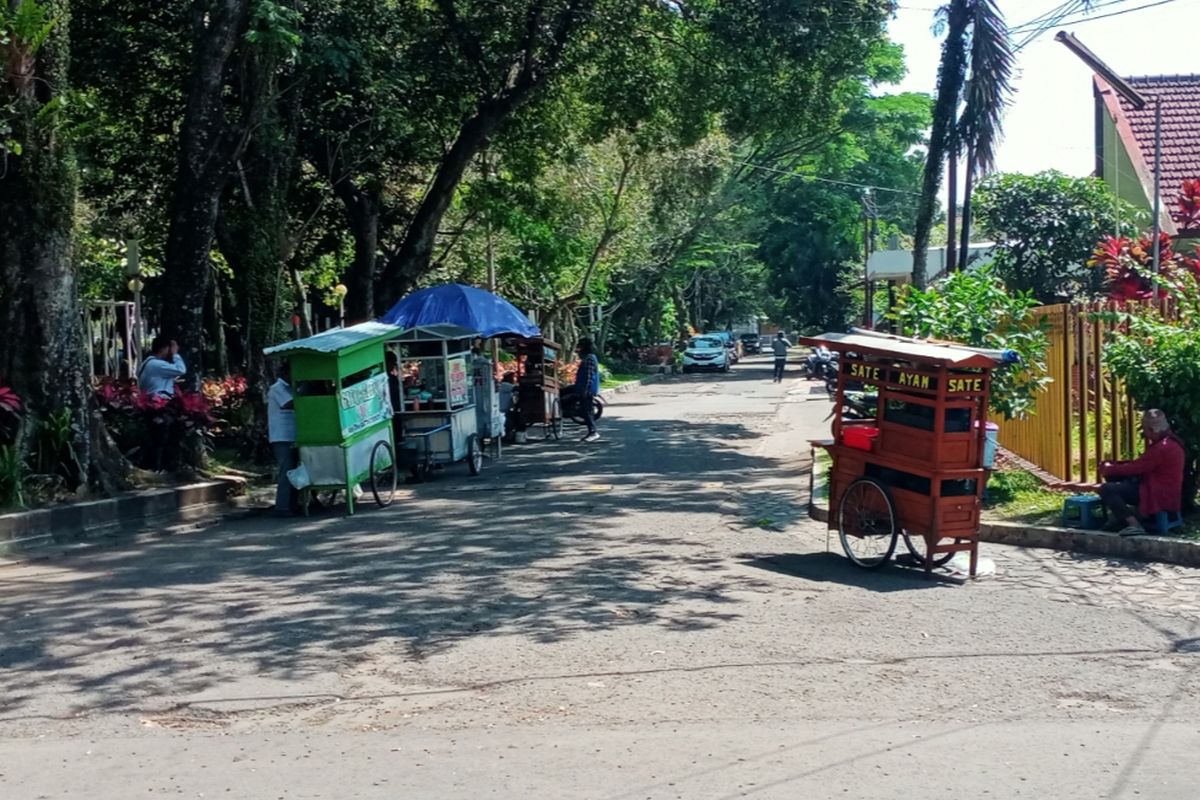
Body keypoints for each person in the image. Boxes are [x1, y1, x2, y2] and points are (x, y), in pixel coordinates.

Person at [1099, 409, 1185, 536]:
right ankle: (1121, 518)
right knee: (1116, 478)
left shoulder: (1162, 448)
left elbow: (1135, 468)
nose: (1145, 434)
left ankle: (1134, 524)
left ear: (1152, 430)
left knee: (1107, 489)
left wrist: (1109, 468)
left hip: (1155, 492)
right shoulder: (1172, 443)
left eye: (1145, 430)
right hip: (1165, 490)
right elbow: (1143, 464)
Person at [137, 335, 186, 471]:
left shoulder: (148, 363)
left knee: (158, 438)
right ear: (164, 348)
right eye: (169, 349)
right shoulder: (156, 364)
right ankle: (157, 468)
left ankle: (156, 467)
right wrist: (176, 355)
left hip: (152, 405)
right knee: (160, 439)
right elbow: (181, 370)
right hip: (159, 406)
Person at [268, 363, 298, 516]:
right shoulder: (277, 388)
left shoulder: (290, 388)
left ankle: (293, 504)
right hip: (281, 436)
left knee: (294, 471)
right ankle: (282, 506)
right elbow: (290, 404)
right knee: (286, 471)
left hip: (292, 434)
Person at [575, 338, 601, 443]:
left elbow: (589, 375)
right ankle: (592, 431)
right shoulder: (588, 358)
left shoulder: (589, 358)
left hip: (587, 389)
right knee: (586, 410)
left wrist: (586, 389)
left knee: (587, 410)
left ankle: (593, 432)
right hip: (584, 387)